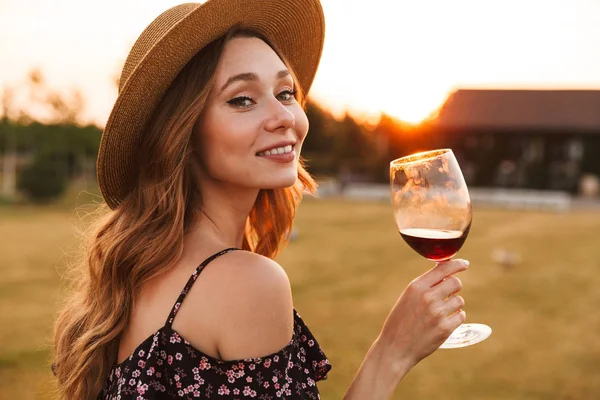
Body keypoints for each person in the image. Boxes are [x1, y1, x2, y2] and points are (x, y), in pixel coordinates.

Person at [52, 0, 469, 398]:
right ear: (182, 134)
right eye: (242, 99)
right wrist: (392, 352)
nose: (285, 116)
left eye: (285, 92)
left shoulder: (138, 275)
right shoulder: (247, 283)